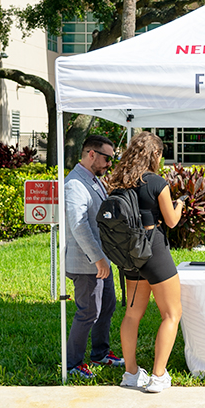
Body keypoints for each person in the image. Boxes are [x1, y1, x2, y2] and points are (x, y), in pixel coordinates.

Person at [107, 131, 184, 393]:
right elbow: (171, 221)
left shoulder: (118, 182)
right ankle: (158, 376)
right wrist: (180, 205)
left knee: (132, 314)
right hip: (154, 252)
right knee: (172, 314)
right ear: (155, 155)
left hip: (130, 255)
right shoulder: (156, 182)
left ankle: (130, 373)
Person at [64, 135, 124, 379]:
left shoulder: (93, 180)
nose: (109, 163)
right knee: (88, 312)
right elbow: (79, 226)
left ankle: (100, 353)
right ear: (91, 154)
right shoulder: (75, 184)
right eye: (107, 158)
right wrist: (98, 258)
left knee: (107, 307)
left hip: (102, 260)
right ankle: (73, 364)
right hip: (87, 263)